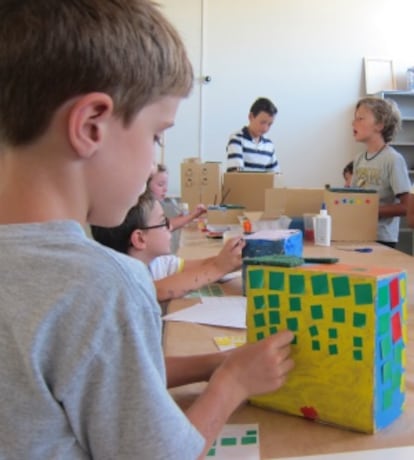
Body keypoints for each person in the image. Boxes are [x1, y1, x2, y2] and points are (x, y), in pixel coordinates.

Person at [0, 1, 294, 459]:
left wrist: (220, 362)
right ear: (92, 125)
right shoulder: (103, 285)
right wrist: (232, 383)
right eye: (158, 134)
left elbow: (98, 375)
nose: (156, 161)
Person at [91, 190, 244, 303]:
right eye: (163, 222)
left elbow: (196, 266)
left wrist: (234, 259)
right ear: (139, 239)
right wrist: (218, 268)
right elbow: (158, 290)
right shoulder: (124, 280)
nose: (170, 227)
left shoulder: (156, 262)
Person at [351, 97, 411, 248]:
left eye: (360, 118)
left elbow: (407, 207)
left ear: (379, 125)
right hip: (357, 234)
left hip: (382, 238)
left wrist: (372, 211)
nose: (353, 123)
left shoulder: (393, 159)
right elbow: (352, 195)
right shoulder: (359, 159)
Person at [226, 97, 281, 172]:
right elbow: (235, 175)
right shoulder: (237, 139)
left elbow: (275, 176)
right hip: (243, 183)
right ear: (251, 117)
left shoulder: (269, 145)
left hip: (263, 184)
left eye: (269, 124)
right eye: (262, 122)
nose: (265, 128)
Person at [148, 163, 207, 231]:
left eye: (166, 185)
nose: (165, 189)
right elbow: (166, 227)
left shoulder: (154, 205)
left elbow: (166, 224)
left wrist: (192, 214)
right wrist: (193, 215)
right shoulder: (145, 209)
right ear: (145, 186)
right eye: (160, 185)